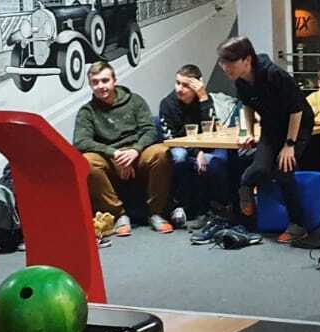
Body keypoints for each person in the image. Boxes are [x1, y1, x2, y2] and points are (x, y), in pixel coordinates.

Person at [218, 36, 315, 244]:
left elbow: (296, 110)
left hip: (298, 124)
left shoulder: (274, 74)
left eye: (230, 63)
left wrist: (289, 145)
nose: (226, 68)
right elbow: (247, 105)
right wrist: (249, 131)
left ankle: (298, 225)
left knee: (284, 169)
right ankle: (245, 186)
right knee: (260, 167)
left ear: (247, 60)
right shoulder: (240, 80)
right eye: (222, 63)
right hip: (271, 126)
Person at [72, 61, 173, 236]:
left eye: (105, 80)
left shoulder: (135, 101)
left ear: (114, 81)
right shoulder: (86, 112)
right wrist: (114, 154)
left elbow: (149, 130)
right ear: (90, 85)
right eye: (95, 82)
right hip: (110, 157)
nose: (101, 86)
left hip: (137, 153)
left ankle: (156, 213)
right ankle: (118, 215)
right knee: (87, 161)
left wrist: (135, 150)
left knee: (160, 152)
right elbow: (81, 142)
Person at [158, 64, 234, 229]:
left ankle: (218, 208)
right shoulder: (167, 104)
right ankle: (182, 206)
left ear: (198, 85)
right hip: (181, 148)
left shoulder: (204, 100)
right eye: (178, 83)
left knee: (217, 160)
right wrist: (197, 152)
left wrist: (203, 97)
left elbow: (212, 130)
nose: (179, 89)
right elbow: (172, 139)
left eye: (186, 85)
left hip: (206, 148)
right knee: (179, 156)